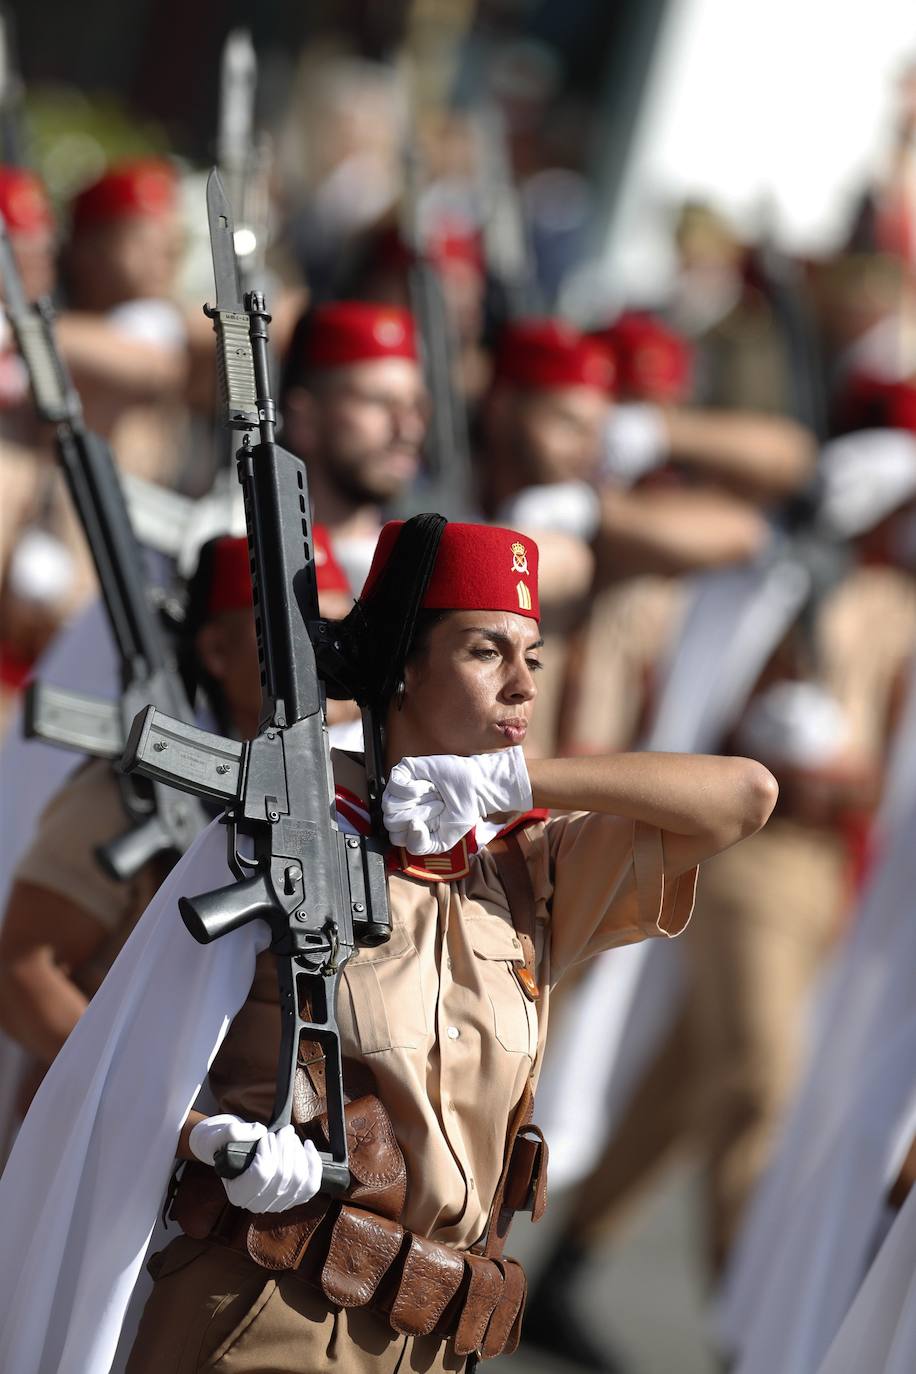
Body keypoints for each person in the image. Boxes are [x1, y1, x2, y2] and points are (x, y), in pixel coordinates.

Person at [0, 515, 777, 1373]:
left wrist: (517, 783)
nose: (522, 685)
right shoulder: (285, 830)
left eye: (534, 657)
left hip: (439, 1340)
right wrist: (209, 1139)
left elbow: (744, 796)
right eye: (487, 652)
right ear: (403, 667)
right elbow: (124, 1057)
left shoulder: (525, 867)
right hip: (270, 1309)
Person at [0, 528, 350, 1126]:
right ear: (216, 650)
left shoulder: (362, 800)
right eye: (290, 627)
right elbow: (21, 972)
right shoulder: (138, 792)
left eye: (332, 630)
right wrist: (158, 1110)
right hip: (113, 1146)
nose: (315, 651)